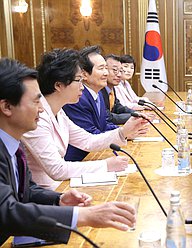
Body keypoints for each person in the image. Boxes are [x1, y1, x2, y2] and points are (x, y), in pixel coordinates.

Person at [0, 58, 136, 245]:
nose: (41, 109)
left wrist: (59, 200)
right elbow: (7, 211)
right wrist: (82, 215)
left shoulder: (12, 145)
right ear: (6, 107)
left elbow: (27, 189)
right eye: (35, 101)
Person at [21, 48, 145, 190]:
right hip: (45, 193)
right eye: (79, 80)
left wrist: (123, 132)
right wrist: (105, 165)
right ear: (59, 85)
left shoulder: (59, 112)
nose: (82, 87)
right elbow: (57, 169)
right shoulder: (37, 117)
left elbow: (87, 140)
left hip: (63, 185)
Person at [63, 46, 148, 161]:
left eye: (106, 69)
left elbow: (105, 124)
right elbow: (91, 134)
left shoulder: (97, 94)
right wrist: (123, 134)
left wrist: (126, 131)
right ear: (84, 74)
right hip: (81, 160)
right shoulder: (78, 99)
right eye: (102, 68)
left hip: (94, 155)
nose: (106, 73)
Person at [100, 54, 134, 125]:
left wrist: (135, 113)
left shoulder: (112, 88)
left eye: (121, 71)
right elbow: (108, 117)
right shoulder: (99, 90)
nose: (119, 75)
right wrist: (133, 116)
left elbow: (117, 107)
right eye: (115, 70)